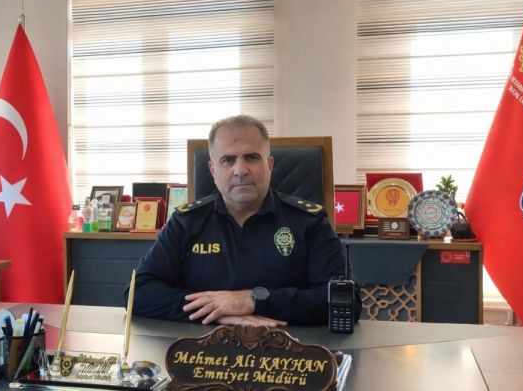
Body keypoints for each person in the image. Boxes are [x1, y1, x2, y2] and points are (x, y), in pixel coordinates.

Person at [127, 115, 360, 326]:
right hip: (200, 350)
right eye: (228, 160)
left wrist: (252, 300)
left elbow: (346, 301)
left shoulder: (309, 222)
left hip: (288, 350)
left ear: (269, 165)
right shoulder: (186, 223)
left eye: (251, 157)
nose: (240, 170)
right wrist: (216, 312)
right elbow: (137, 293)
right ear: (213, 170)